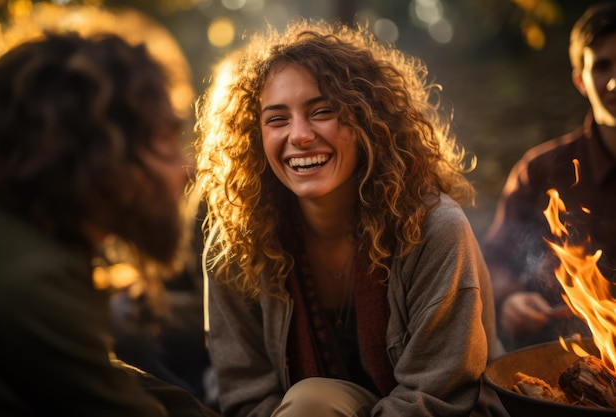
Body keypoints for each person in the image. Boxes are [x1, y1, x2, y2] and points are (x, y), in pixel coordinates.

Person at [193, 19, 505, 417]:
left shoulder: (434, 228)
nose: (300, 135)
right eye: (277, 119)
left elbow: (441, 396)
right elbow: (246, 396)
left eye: (322, 111)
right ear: (255, 136)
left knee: (311, 404)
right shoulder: (237, 241)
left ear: (367, 121)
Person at [0, 32, 217, 417]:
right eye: (165, 140)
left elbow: (100, 372)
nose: (186, 167)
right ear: (100, 150)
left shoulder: (28, 242)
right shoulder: (32, 278)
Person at [481, 2, 616, 351]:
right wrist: (508, 303)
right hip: (565, 363)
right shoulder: (542, 172)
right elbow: (494, 262)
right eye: (602, 66)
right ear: (580, 81)